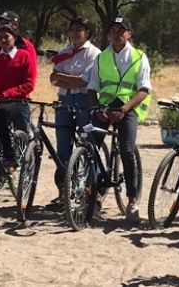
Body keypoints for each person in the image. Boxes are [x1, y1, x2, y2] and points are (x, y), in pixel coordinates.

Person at [87, 17, 151, 224]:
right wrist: (97, 108)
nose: (117, 34)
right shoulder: (101, 57)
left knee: (126, 149)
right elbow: (92, 87)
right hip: (105, 107)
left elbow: (144, 89)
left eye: (121, 30)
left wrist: (124, 109)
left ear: (129, 34)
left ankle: (132, 201)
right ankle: (93, 194)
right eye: (113, 30)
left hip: (128, 107)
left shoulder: (139, 57)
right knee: (90, 146)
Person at [46, 17, 101, 209]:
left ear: (88, 33)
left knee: (88, 145)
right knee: (62, 148)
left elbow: (84, 81)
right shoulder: (64, 53)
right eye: (72, 29)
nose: (75, 33)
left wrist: (65, 78)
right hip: (65, 100)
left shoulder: (94, 53)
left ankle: (92, 193)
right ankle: (63, 193)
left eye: (79, 29)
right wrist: (70, 79)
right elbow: (53, 79)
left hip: (85, 101)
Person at [0, 24, 37, 169]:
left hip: (17, 101)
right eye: (0, 37)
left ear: (15, 37)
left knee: (7, 119)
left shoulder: (24, 56)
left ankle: (12, 157)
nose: (3, 40)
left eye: (6, 36)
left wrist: (7, 94)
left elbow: (29, 84)